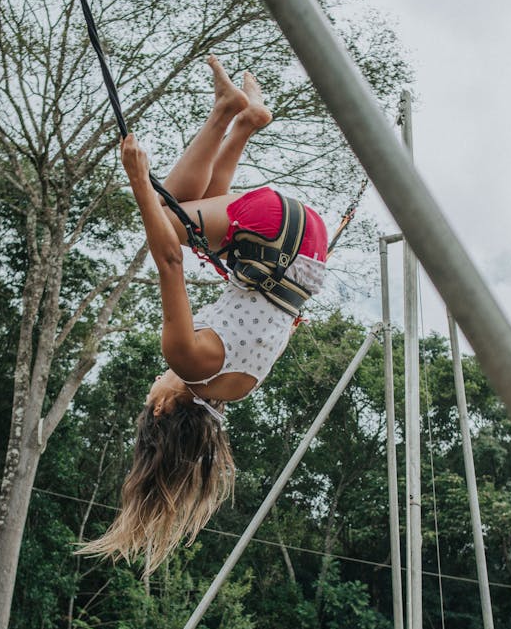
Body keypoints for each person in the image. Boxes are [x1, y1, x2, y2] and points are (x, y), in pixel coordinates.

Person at [82, 56, 328, 573]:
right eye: (148, 399)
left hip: (304, 251)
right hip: (277, 235)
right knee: (170, 218)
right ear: (163, 410)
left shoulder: (236, 388)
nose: (150, 388)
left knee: (198, 220)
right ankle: (227, 115)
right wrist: (138, 179)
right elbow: (166, 258)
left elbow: (276, 322)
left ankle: (242, 119)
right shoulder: (188, 362)